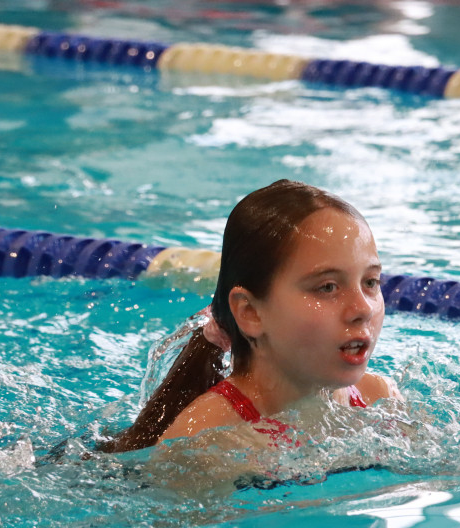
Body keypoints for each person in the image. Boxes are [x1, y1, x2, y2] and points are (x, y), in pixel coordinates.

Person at [99, 180, 401, 457]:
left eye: (371, 282)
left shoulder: (379, 399)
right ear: (250, 313)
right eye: (327, 287)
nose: (362, 308)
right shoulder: (206, 440)